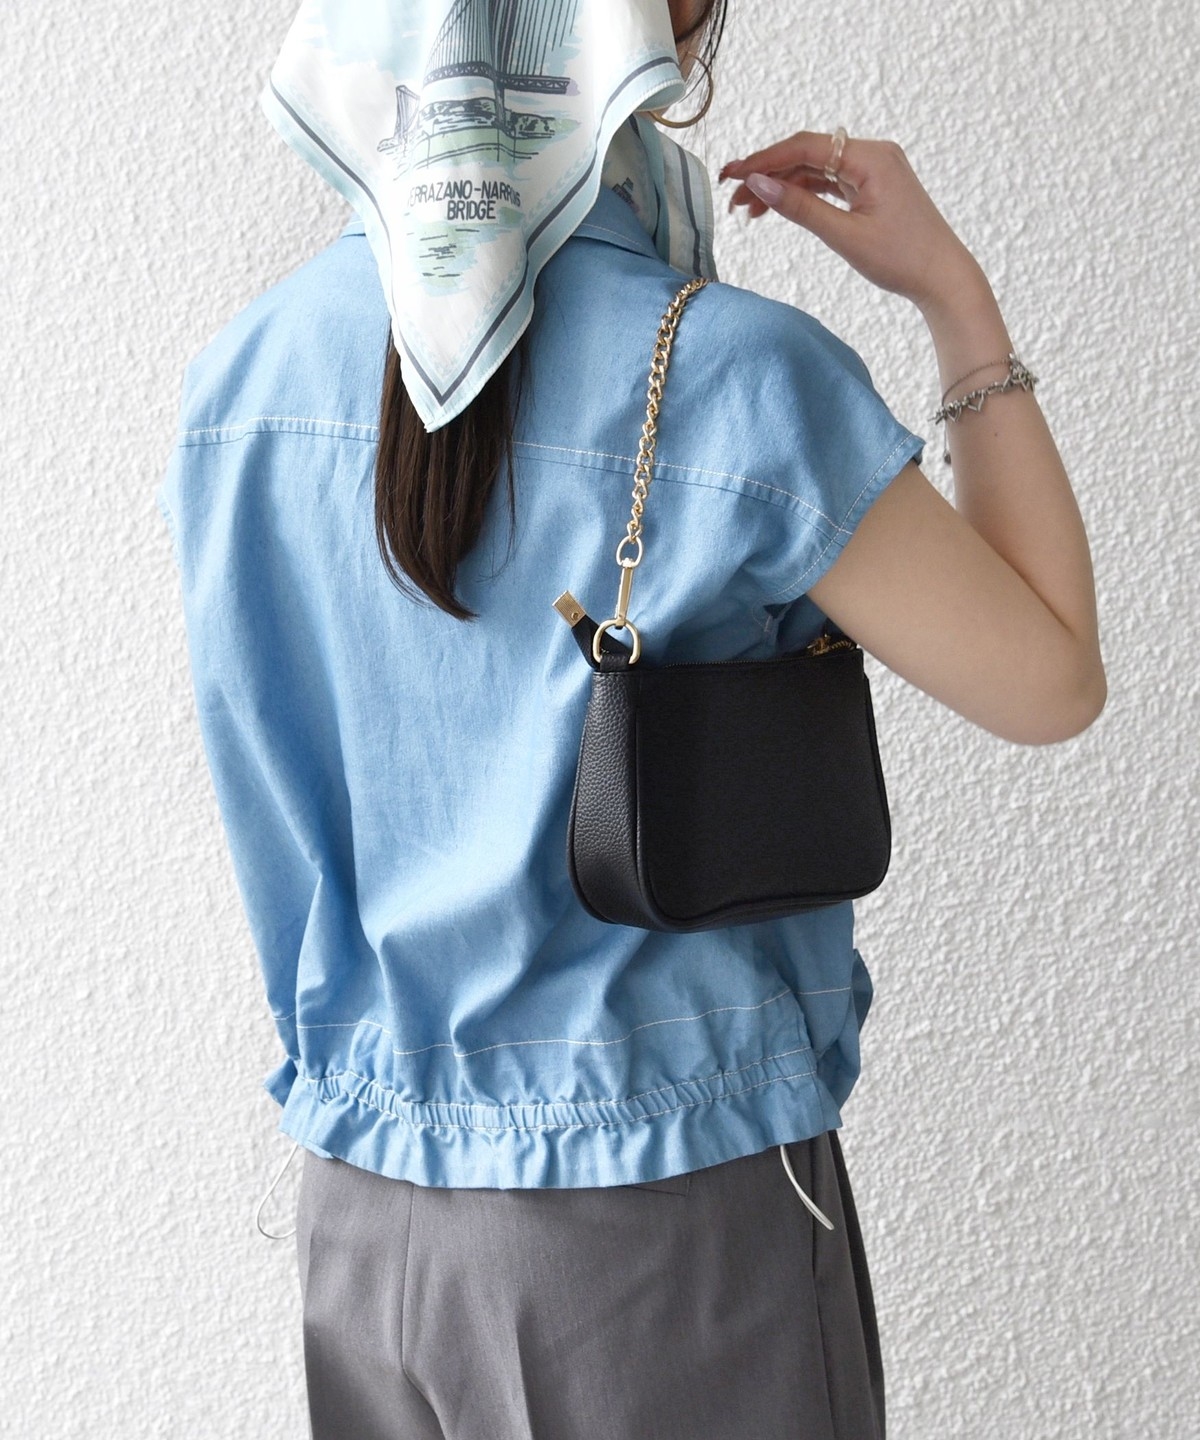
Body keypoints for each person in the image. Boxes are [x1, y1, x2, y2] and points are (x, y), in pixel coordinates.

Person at [155, 0, 1105, 1436]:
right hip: (662, 1229)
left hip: (363, 1223)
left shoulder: (242, 380)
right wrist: (955, 300)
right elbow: (1051, 679)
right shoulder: (737, 377)